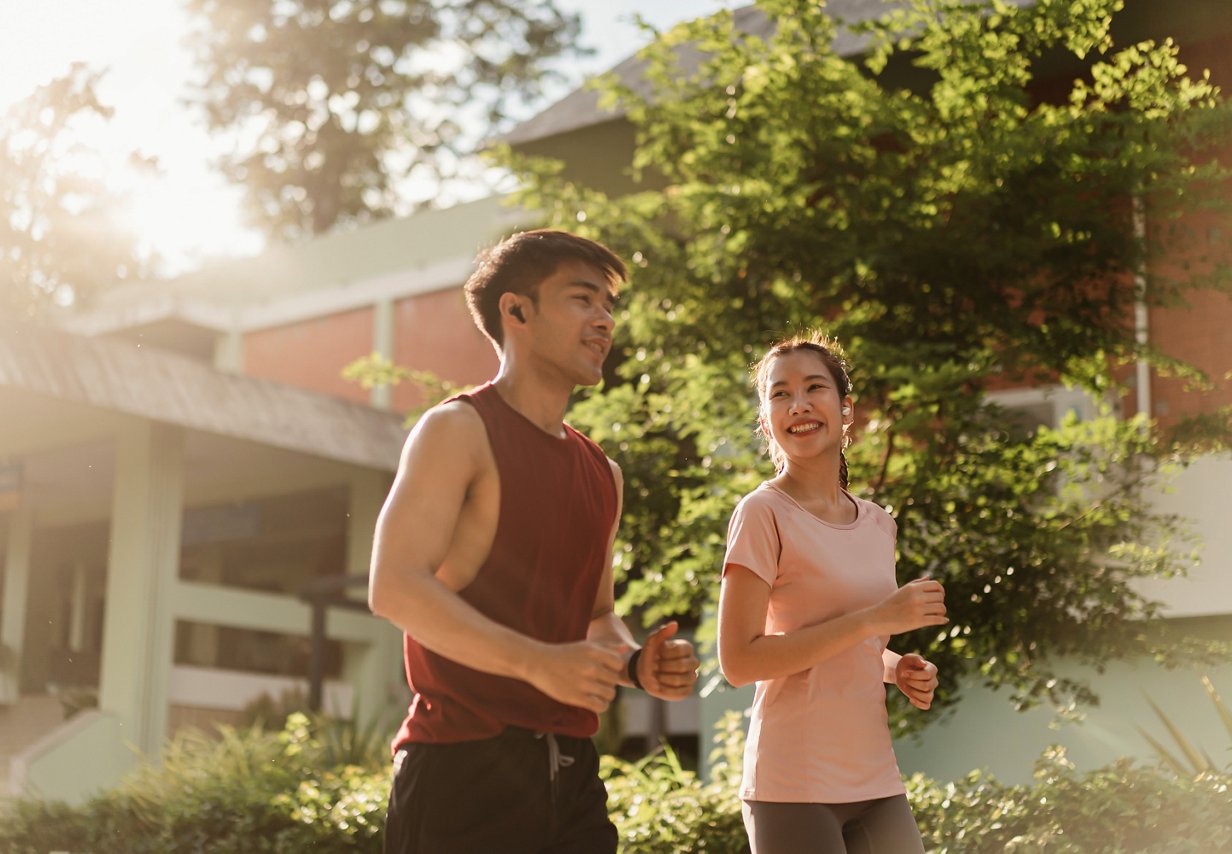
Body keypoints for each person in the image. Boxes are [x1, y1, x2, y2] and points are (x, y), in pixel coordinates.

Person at [368, 228, 700, 853]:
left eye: (609, 306)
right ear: (516, 311)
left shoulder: (604, 473)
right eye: (583, 300)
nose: (604, 321)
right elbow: (393, 588)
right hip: (461, 771)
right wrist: (536, 662)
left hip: (572, 774)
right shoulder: (457, 431)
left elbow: (596, 617)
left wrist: (634, 663)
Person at [716, 333, 948, 854]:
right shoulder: (762, 513)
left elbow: (849, 639)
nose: (797, 405)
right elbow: (739, 659)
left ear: (846, 409)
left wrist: (893, 666)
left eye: (813, 388)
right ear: (765, 420)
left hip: (875, 779)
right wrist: (873, 621)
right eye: (780, 394)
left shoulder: (878, 524)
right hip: (793, 784)